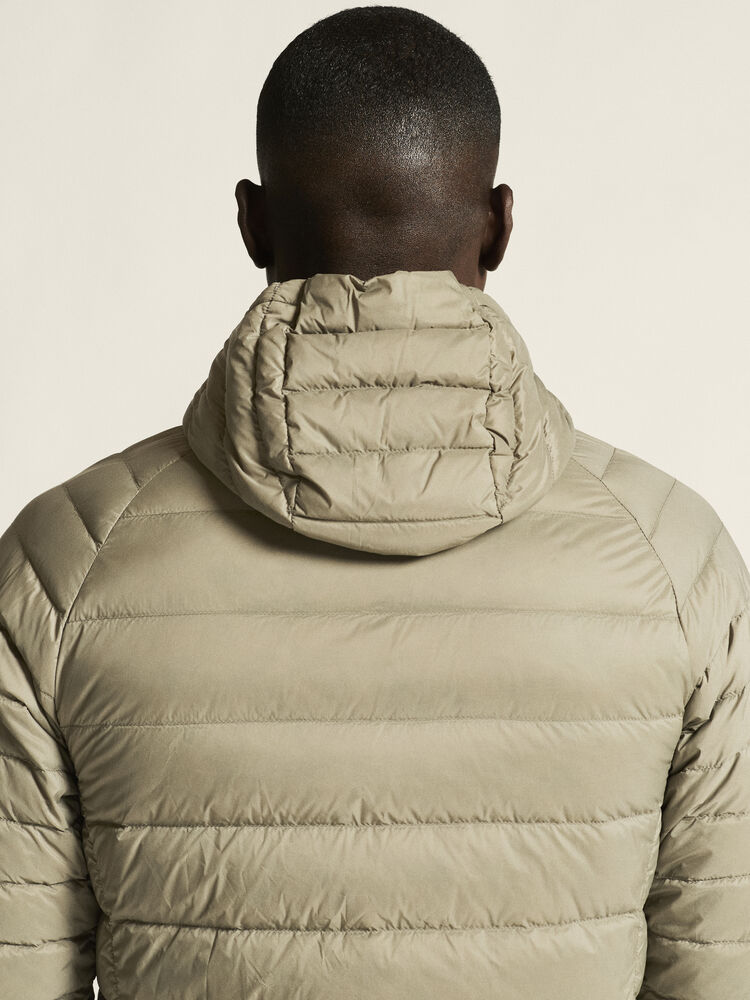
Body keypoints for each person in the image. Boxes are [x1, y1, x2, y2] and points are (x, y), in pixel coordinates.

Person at [1, 7, 748, 999]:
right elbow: (718, 966)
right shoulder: (675, 562)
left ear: (252, 223)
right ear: (500, 224)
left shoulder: (65, 562)